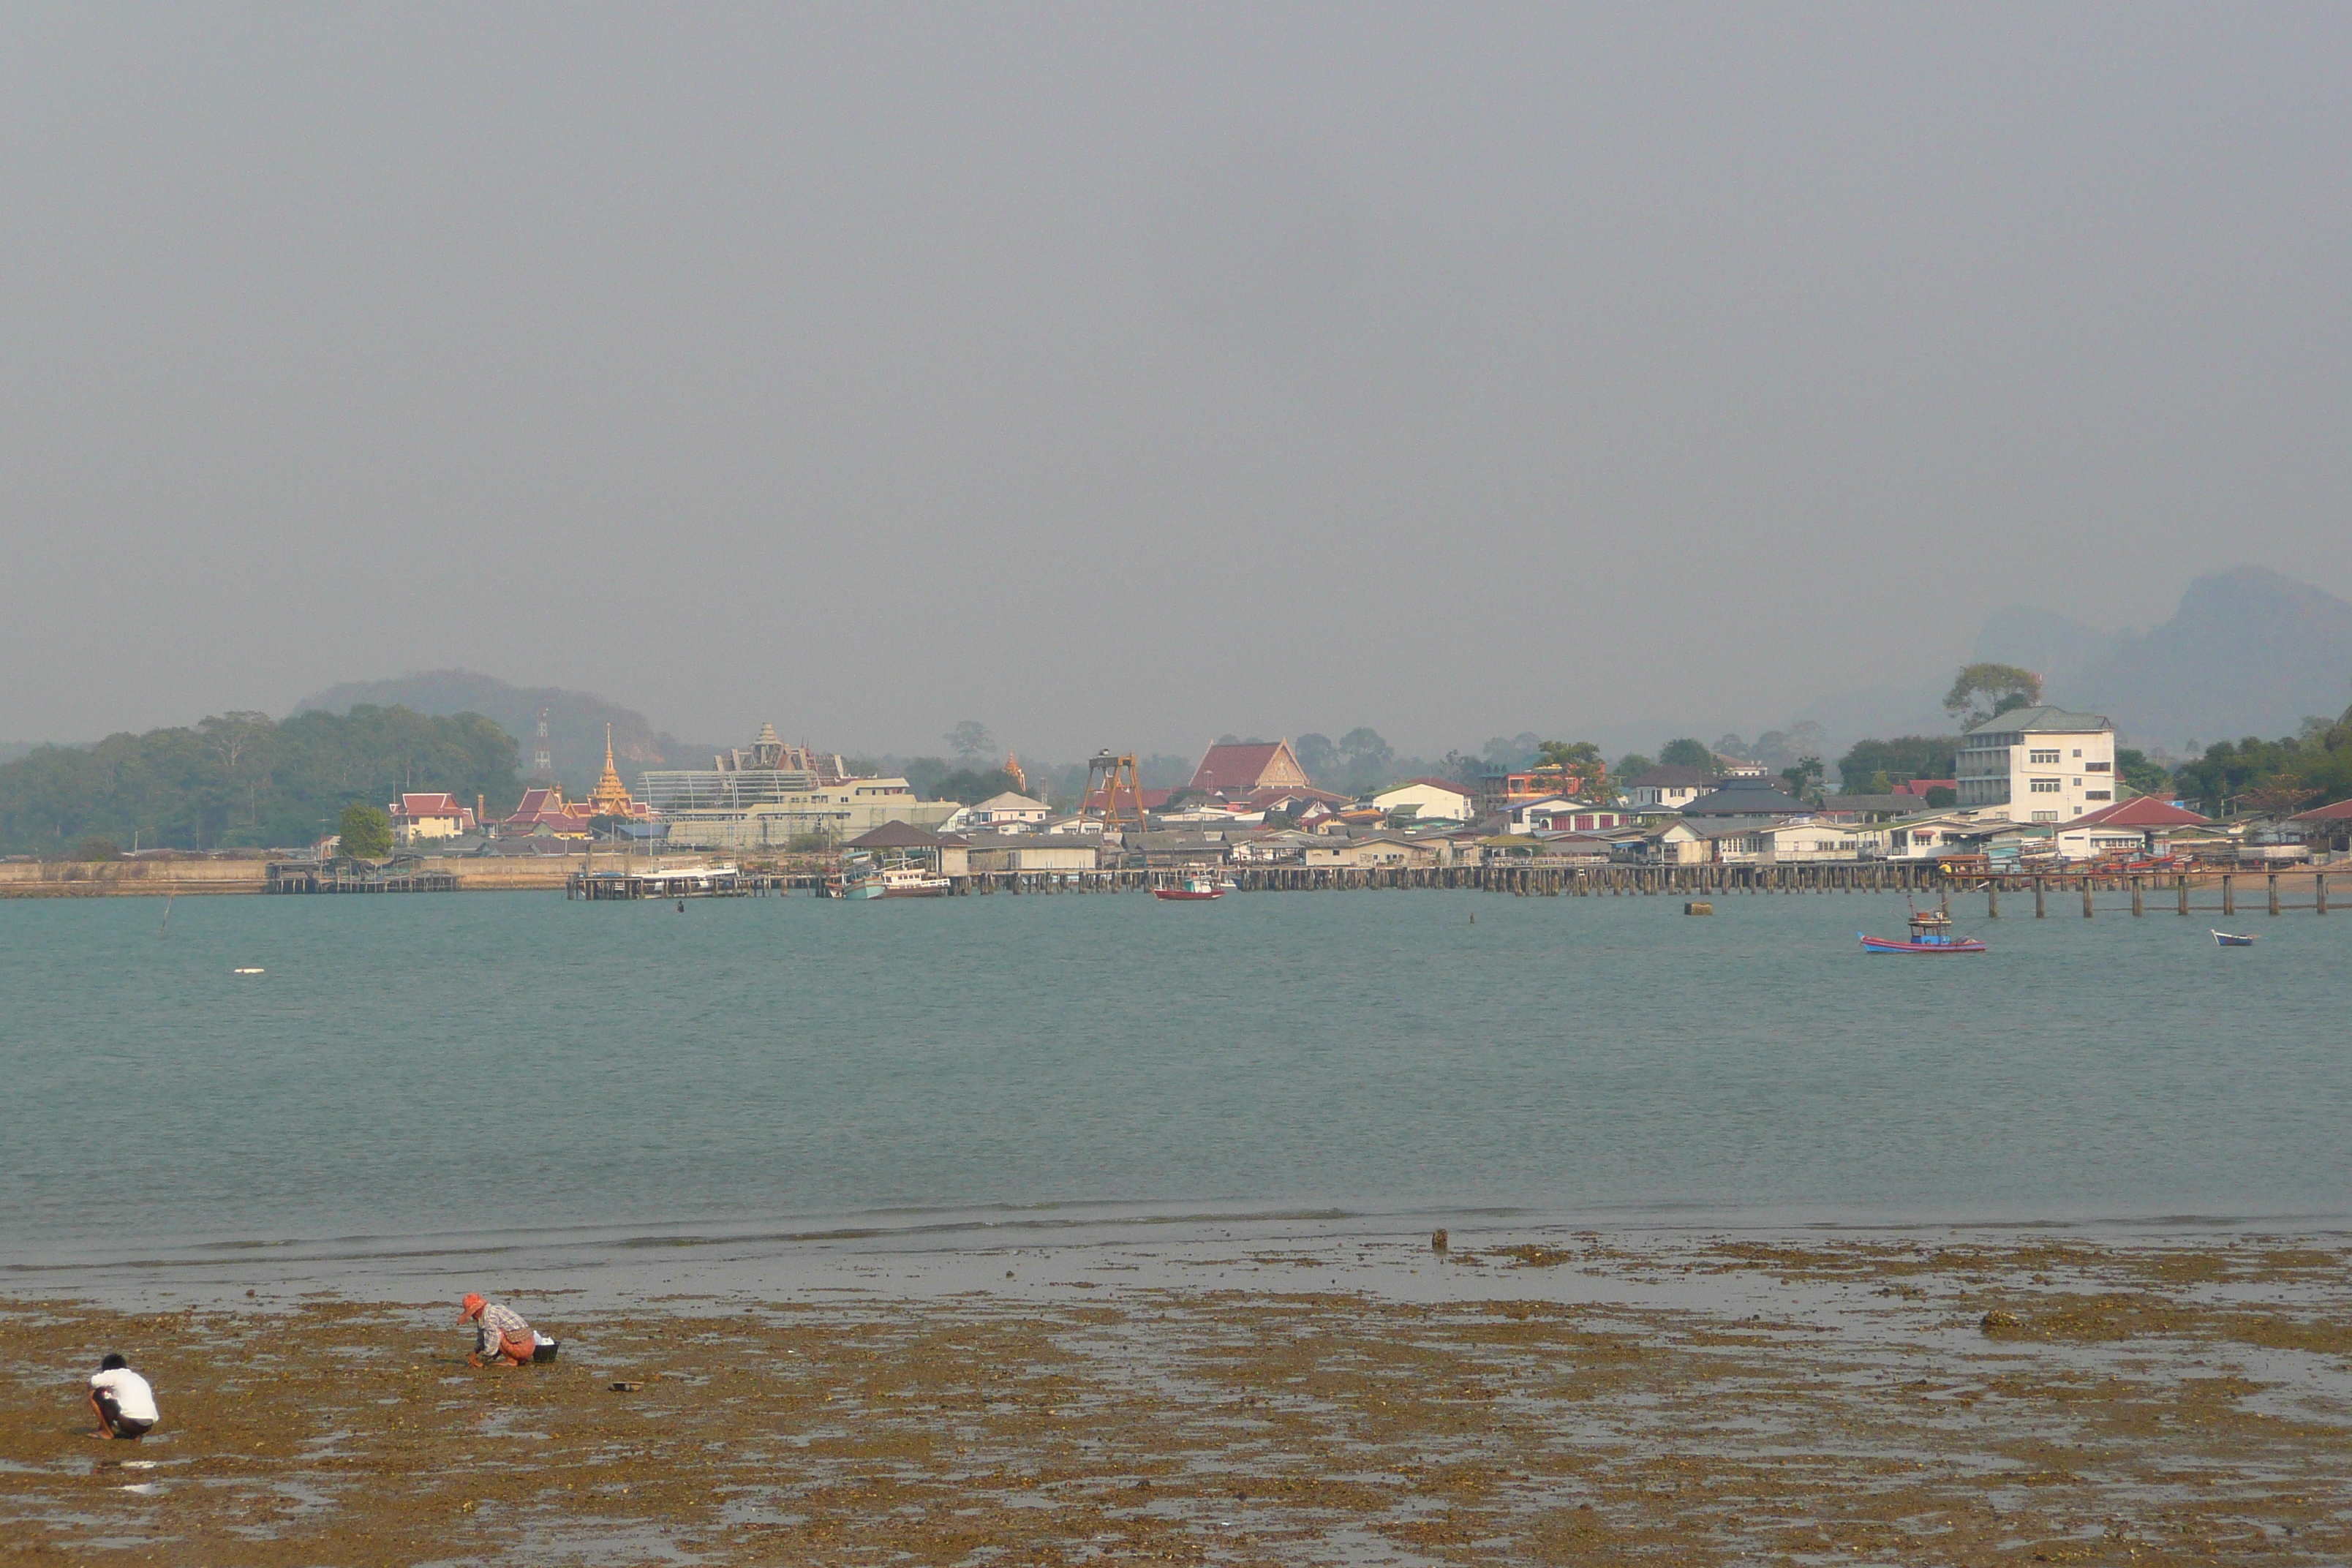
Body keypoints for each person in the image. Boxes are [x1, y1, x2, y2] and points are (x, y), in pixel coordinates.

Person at [458, 1293, 538, 1368]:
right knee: (494, 1334)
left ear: (477, 1311)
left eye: (473, 1314)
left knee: (496, 1334)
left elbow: (493, 1337)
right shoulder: (493, 1310)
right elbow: (482, 1337)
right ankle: (518, 1358)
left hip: (521, 1347)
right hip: (530, 1345)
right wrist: (476, 1352)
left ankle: (511, 1360)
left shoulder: (489, 1317)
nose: (473, 1317)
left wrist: (484, 1359)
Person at [88, 1354, 158, 1440]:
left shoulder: (113, 1374)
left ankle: (107, 1433)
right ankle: (137, 1435)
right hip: (148, 1425)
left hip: (129, 1423)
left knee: (93, 1392)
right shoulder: (137, 1377)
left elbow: (94, 1382)